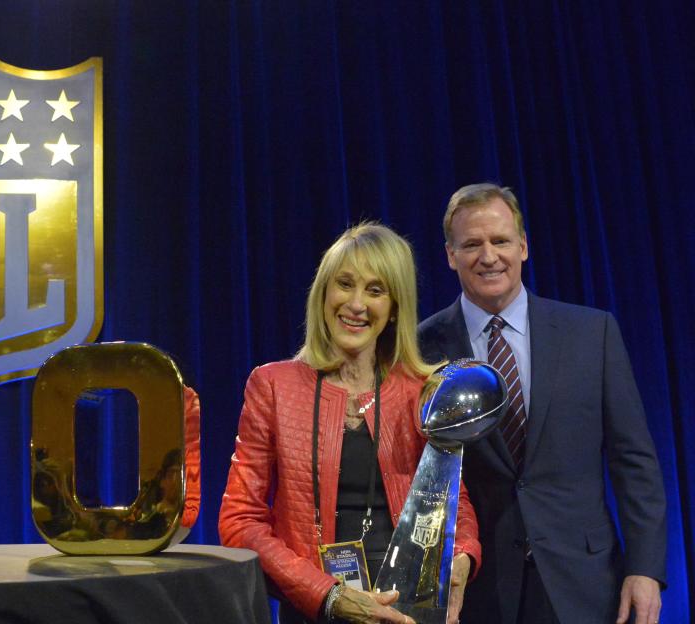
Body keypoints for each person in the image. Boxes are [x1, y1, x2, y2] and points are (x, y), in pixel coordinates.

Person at [418, 183, 666, 624]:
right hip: (478, 590)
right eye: (472, 244)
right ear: (450, 255)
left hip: (586, 581)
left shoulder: (593, 334)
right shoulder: (421, 350)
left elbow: (635, 463)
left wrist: (645, 569)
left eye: (501, 240)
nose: (489, 256)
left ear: (524, 246)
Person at [219, 223, 481, 624]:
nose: (356, 304)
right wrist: (327, 594)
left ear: (394, 308)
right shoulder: (272, 386)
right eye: (345, 284)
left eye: (375, 291)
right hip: (314, 606)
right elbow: (240, 521)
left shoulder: (420, 391)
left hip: (407, 608)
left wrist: (461, 557)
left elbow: (453, 503)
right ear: (324, 293)